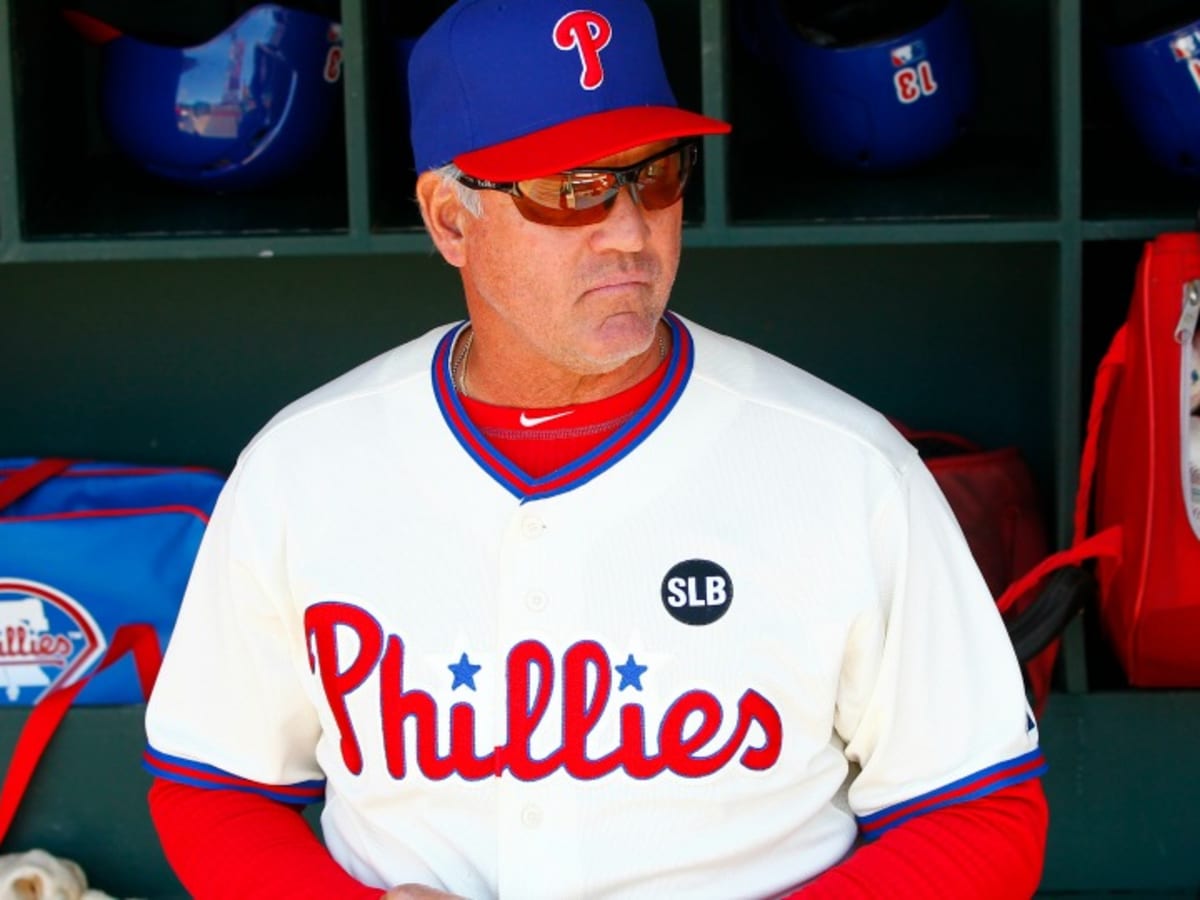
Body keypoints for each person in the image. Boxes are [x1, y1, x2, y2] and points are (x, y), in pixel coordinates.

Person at [143, 0, 1049, 897]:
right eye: (572, 188)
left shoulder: (844, 467)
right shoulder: (304, 468)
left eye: (654, 175)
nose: (629, 230)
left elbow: (981, 814)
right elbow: (214, 786)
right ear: (451, 219)